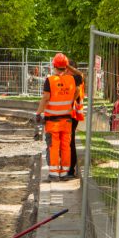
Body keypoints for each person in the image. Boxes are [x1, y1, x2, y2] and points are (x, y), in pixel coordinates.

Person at [36, 53, 82, 181]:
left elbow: (45, 98)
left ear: (54, 65)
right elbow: (80, 76)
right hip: (67, 120)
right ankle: (64, 172)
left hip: (52, 121)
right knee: (65, 146)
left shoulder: (50, 81)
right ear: (66, 66)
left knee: (54, 146)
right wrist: (69, 67)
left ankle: (54, 173)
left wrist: (38, 113)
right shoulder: (72, 80)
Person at [67, 58, 85, 178]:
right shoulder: (75, 78)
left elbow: (80, 75)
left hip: (72, 114)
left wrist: (70, 101)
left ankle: (70, 169)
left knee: (69, 142)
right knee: (68, 141)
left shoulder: (76, 78)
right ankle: (67, 168)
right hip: (74, 114)